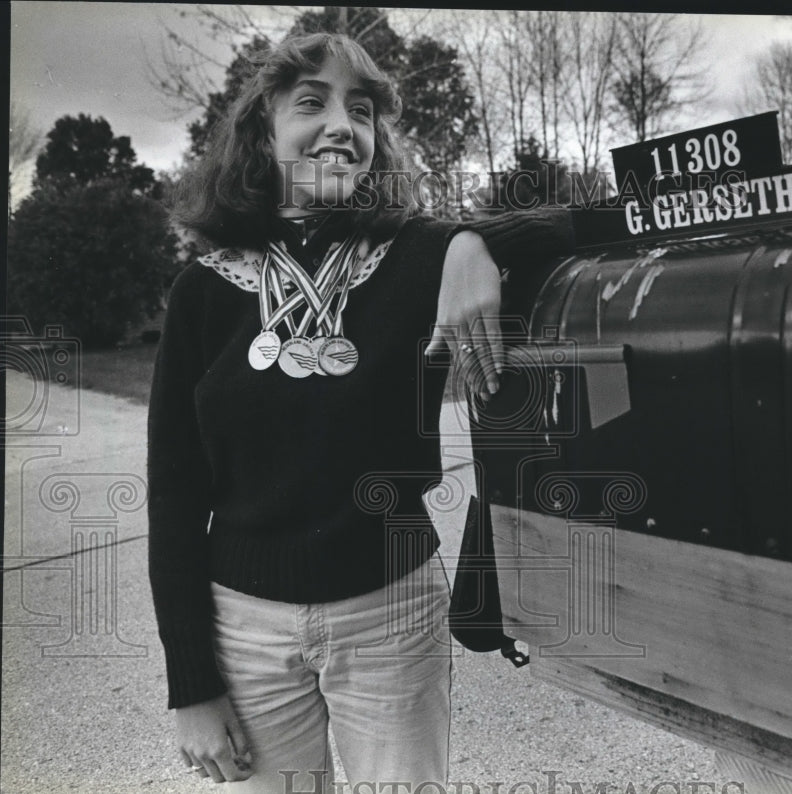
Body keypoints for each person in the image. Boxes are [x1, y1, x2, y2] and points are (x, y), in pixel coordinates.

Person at [148, 31, 571, 792]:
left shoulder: (414, 257)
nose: (344, 125)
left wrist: (474, 240)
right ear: (263, 128)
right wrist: (191, 685)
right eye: (312, 102)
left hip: (392, 619)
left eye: (364, 110)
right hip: (244, 633)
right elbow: (174, 497)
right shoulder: (202, 294)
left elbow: (582, 223)